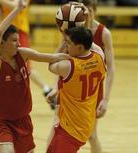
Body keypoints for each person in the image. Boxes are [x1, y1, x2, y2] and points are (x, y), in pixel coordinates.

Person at [0, 0, 69, 153]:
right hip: (3, 122)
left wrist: (72, 57)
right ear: (2, 44)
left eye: (18, 40)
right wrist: (18, 9)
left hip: (24, 120)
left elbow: (48, 57)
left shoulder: (22, 54)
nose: (18, 44)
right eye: (14, 41)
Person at [47, 1, 115, 153]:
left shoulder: (104, 33)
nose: (86, 15)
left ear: (94, 11)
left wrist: (106, 99)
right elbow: (63, 61)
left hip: (92, 89)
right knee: (57, 126)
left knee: (92, 135)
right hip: (72, 85)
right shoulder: (72, 33)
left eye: (89, 12)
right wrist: (56, 87)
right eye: (83, 13)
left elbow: (111, 68)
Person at [0, 0, 55, 109]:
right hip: (4, 31)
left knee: (26, 68)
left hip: (19, 32)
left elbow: (16, 6)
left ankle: (46, 89)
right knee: (4, 67)